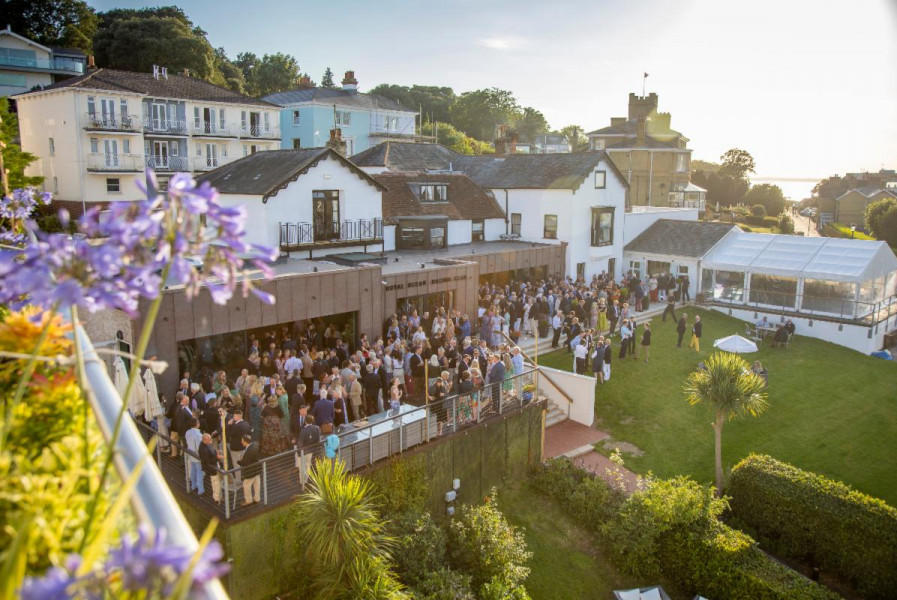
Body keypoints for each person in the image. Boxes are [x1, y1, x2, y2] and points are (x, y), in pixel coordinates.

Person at [237, 434, 261, 506]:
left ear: (245, 441)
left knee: (246, 485)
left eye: (242, 441)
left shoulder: (249, 450)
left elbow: (245, 463)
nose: (241, 442)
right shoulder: (254, 446)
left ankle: (248, 500)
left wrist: (238, 461)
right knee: (257, 484)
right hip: (257, 469)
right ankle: (257, 498)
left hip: (251, 471)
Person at [199, 433, 222, 504]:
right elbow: (207, 461)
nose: (211, 440)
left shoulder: (207, 443)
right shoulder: (202, 449)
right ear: (204, 440)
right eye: (209, 439)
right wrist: (217, 457)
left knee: (217, 482)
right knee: (215, 482)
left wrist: (216, 452)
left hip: (215, 465)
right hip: (211, 468)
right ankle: (217, 498)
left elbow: (211, 451)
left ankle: (219, 496)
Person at [185, 418, 203, 495]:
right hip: (197, 455)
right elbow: (199, 447)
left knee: (193, 469)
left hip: (190, 453)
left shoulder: (187, 432)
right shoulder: (198, 435)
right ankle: (200, 489)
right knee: (199, 472)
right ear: (197, 424)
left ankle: (193, 485)